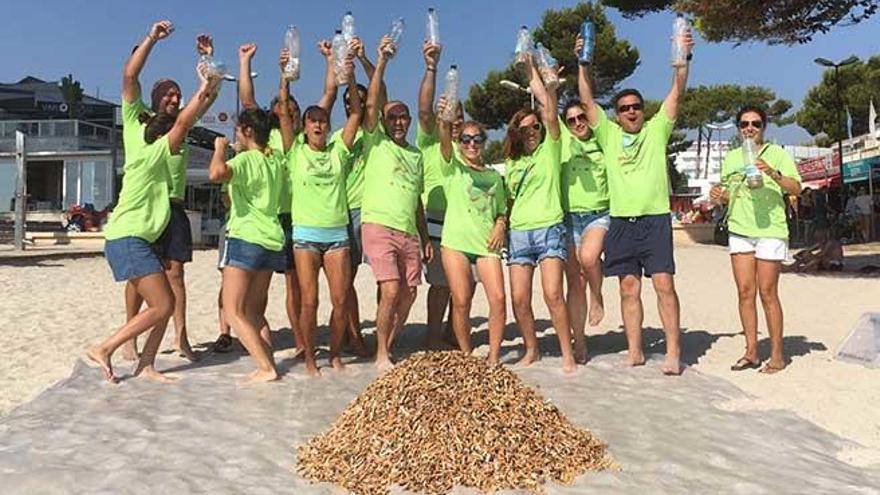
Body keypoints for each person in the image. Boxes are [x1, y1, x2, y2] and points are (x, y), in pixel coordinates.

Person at [89, 59, 220, 383]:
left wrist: (208, 82)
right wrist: (202, 86)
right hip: (127, 239)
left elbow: (185, 120)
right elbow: (181, 123)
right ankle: (106, 347)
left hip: (136, 238)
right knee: (162, 304)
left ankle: (146, 364)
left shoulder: (151, 156)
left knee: (166, 300)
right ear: (165, 140)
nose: (181, 142)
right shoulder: (154, 154)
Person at [579, 28, 694, 375]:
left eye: (636, 107)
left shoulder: (656, 130)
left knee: (663, 285)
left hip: (654, 220)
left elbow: (677, 91)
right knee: (628, 289)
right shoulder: (609, 134)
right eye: (624, 108)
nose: (631, 112)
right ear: (616, 114)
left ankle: (673, 352)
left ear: (644, 111)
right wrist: (582, 62)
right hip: (621, 222)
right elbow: (585, 100)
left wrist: (683, 58)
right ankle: (635, 350)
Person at [120, 21, 210, 362]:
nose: (174, 98)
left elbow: (205, 99)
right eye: (169, 95)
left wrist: (209, 62)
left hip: (173, 207)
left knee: (176, 275)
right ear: (155, 99)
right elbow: (130, 77)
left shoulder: (181, 128)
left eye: (177, 95)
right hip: (143, 205)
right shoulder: (137, 117)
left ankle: (180, 337)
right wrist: (152, 39)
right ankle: (130, 336)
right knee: (140, 276)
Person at [238, 42, 333, 360]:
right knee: (255, 288)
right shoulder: (265, 136)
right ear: (275, 111)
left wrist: (329, 61)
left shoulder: (297, 141)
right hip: (265, 217)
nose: (288, 112)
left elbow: (327, 99)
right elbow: (247, 100)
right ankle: (247, 332)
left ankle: (301, 340)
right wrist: (246, 61)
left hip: (294, 217)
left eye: (293, 111)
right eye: (283, 109)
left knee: (296, 287)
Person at [208, 43, 291, 383]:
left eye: (237, 132)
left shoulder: (244, 159)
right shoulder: (276, 156)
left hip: (245, 239)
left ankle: (265, 367)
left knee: (233, 309)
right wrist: (244, 63)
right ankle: (267, 361)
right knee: (256, 312)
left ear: (244, 132)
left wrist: (218, 149)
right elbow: (249, 104)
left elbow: (216, 174)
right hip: (272, 240)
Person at [286, 44, 361, 376]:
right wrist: (285, 78)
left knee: (341, 299)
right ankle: (311, 359)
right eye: (312, 121)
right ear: (304, 127)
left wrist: (350, 73)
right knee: (309, 301)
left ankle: (333, 354)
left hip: (336, 234)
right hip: (305, 236)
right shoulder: (295, 152)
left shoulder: (337, 151)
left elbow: (356, 114)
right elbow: (284, 114)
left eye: (322, 121)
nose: (318, 125)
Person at [711, 105, 802, 375]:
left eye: (755, 124)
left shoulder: (778, 154)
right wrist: (719, 194)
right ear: (739, 128)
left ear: (764, 127)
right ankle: (751, 352)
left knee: (768, 292)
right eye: (744, 124)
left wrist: (773, 173)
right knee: (744, 292)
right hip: (740, 229)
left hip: (771, 229)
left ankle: (777, 356)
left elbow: (796, 187)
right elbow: (728, 194)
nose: (749, 128)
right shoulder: (731, 158)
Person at [361, 36, 432, 371]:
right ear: (385, 123)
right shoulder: (375, 142)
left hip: (408, 232)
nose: (400, 122)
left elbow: (417, 199)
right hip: (378, 225)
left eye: (405, 117)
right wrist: (381, 60)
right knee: (390, 290)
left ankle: (386, 345)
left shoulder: (416, 155)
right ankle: (381, 354)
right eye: (394, 118)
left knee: (410, 293)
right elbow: (373, 103)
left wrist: (425, 236)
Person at [503, 54, 577, 374]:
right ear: (516, 133)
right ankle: (531, 349)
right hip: (519, 232)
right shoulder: (511, 163)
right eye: (524, 129)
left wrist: (532, 70)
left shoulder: (551, 148)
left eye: (534, 127)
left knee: (553, 295)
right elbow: (507, 202)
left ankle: (566, 353)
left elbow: (548, 111)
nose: (531, 131)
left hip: (549, 229)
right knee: (519, 299)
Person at [436, 97, 508, 364]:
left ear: (484, 142)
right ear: (460, 142)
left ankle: (494, 357)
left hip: (486, 245)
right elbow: (443, 136)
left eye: (477, 139)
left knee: (499, 299)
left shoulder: (492, 176)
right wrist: (445, 116)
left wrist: (501, 224)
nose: (471, 144)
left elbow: (501, 209)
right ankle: (466, 355)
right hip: (455, 243)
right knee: (462, 300)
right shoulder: (453, 167)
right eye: (466, 139)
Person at [329, 35, 378, 358]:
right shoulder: (335, 138)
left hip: (373, 211)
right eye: (348, 103)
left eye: (357, 101)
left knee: (386, 279)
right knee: (344, 282)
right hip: (342, 213)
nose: (353, 106)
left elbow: (378, 88)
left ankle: (383, 332)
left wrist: (360, 62)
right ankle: (354, 333)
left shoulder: (375, 132)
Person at [416, 41, 459, 349]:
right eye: (448, 118)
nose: (452, 123)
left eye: (458, 118)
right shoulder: (430, 142)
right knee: (441, 285)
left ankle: (452, 333)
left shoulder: (470, 149)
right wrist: (431, 67)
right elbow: (423, 108)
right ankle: (433, 336)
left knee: (463, 286)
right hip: (434, 223)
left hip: (465, 224)